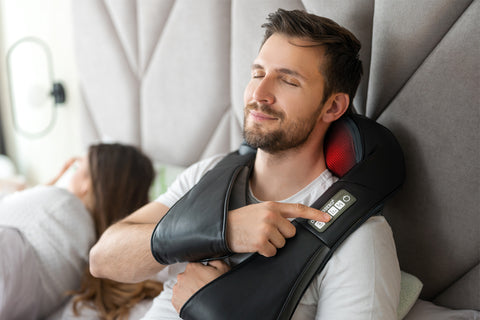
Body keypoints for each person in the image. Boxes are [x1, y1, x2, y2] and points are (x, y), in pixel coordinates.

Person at [90, 9, 401, 319]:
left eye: (288, 81)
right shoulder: (210, 174)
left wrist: (216, 311)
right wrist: (222, 230)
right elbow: (103, 259)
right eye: (257, 74)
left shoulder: (359, 239)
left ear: (332, 106)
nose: (259, 94)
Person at [0, 143, 163, 320]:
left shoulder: (62, 202)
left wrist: (53, 183)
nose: (71, 173)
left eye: (77, 167)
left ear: (87, 184)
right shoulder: (91, 256)